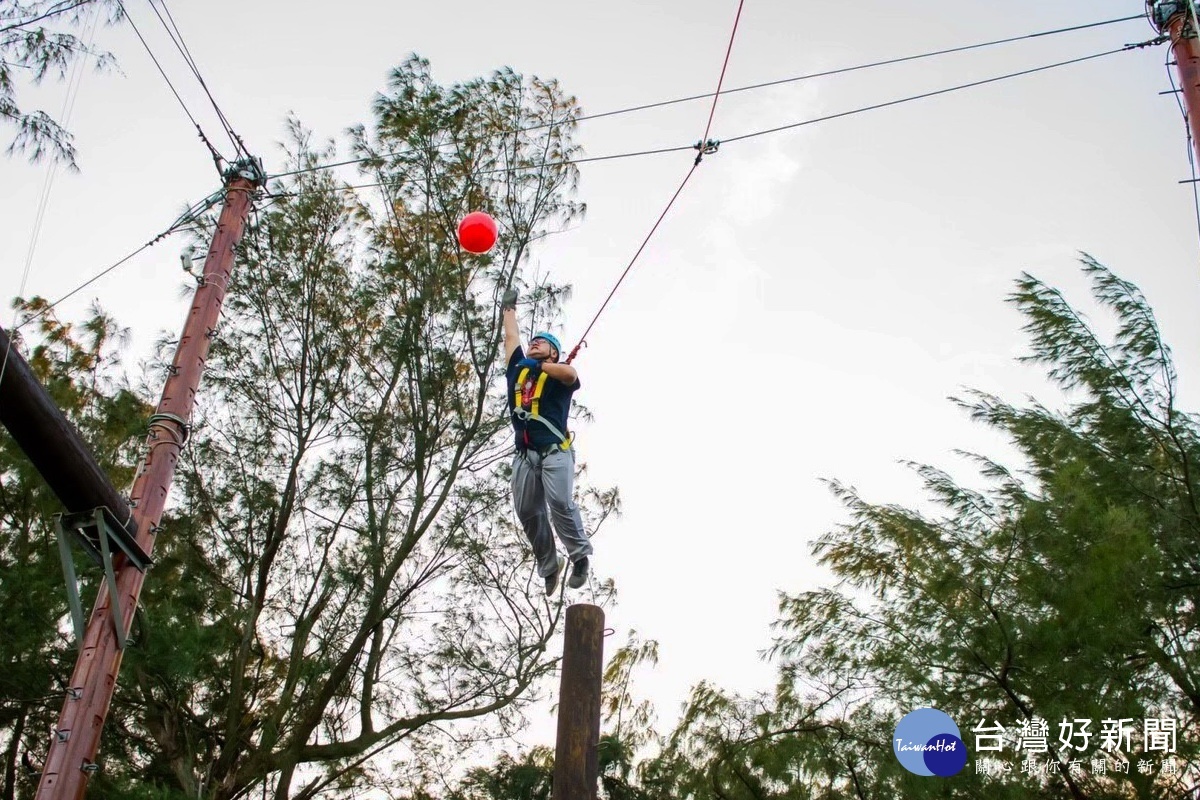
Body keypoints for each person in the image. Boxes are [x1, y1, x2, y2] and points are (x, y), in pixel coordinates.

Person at [501, 287, 592, 595]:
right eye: (534, 341)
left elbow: (571, 374)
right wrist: (508, 311)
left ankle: (579, 556)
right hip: (525, 454)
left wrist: (540, 366)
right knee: (527, 509)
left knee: (559, 502)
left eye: (542, 343)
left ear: (553, 352)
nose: (534, 343)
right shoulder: (518, 371)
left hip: (555, 452)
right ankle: (549, 566)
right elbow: (511, 339)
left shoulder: (556, 373)